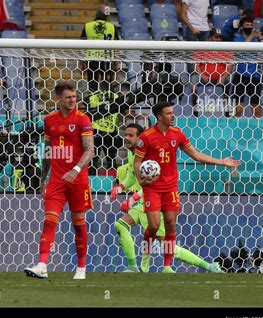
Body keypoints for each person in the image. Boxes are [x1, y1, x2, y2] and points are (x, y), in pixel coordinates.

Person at [133, 102, 240, 273]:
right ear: (159, 116)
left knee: (170, 224)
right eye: (169, 113)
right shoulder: (146, 137)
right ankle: (146, 256)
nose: (173, 115)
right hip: (152, 188)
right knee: (153, 226)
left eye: (173, 112)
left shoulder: (177, 134)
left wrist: (222, 162)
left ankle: (167, 266)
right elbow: (137, 162)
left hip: (170, 187)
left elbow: (196, 155)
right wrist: (142, 180)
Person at [110, 124, 222, 273]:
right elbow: (132, 176)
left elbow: (154, 183)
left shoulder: (149, 155)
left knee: (168, 246)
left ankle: (208, 266)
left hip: (154, 201)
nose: (126, 138)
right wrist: (121, 188)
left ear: (140, 138)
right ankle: (133, 267)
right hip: (144, 202)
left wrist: (133, 198)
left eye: (131, 136)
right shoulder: (133, 154)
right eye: (125, 135)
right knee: (121, 225)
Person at [24, 80, 95, 280]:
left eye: (74, 97)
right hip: (56, 179)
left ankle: (81, 268)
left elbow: (90, 149)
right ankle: (42, 265)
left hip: (78, 180)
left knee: (78, 224)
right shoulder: (50, 120)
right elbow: (48, 149)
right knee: (49, 220)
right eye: (68, 97)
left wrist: (75, 169)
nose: (72, 100)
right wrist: (42, 177)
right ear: (58, 98)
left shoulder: (82, 119)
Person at [190, 28, 233, 116]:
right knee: (194, 80)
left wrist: (223, 77)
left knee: (230, 79)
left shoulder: (227, 50)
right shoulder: (201, 48)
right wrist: (202, 76)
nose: (218, 40)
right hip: (203, 77)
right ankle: (195, 109)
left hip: (221, 78)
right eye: (216, 37)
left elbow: (230, 68)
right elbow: (196, 66)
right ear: (210, 38)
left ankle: (227, 110)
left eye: (220, 38)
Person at [80, 4, 119, 93]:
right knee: (108, 84)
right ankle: (109, 103)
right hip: (107, 59)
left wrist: (81, 62)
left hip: (91, 59)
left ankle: (94, 104)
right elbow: (117, 45)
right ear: (107, 15)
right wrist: (117, 62)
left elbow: (81, 45)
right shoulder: (111, 27)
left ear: (97, 14)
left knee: (92, 84)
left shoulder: (88, 26)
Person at [231, 17, 263, 118]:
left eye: (251, 25)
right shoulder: (237, 39)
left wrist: (261, 38)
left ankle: (258, 131)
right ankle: (234, 130)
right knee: (238, 109)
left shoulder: (256, 39)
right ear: (241, 27)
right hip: (239, 76)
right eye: (247, 25)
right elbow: (238, 51)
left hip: (254, 76)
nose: (249, 27)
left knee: (257, 109)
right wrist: (251, 36)